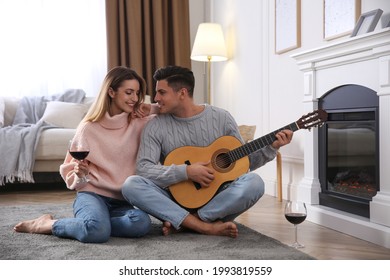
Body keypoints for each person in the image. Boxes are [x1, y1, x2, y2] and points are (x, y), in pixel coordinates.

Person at [121, 65, 293, 238]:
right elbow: (144, 168)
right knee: (131, 185)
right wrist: (186, 172)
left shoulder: (222, 118)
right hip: (174, 198)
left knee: (255, 182)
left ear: (182, 93)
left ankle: (190, 222)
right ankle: (205, 227)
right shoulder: (155, 125)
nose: (156, 98)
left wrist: (272, 148)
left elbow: (243, 163)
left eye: (162, 92)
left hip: (217, 199)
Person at [14, 66, 158, 243]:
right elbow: (71, 172)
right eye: (129, 92)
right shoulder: (88, 128)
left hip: (122, 199)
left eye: (137, 93)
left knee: (141, 223)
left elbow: (172, 109)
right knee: (96, 233)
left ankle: (95, 224)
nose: (134, 99)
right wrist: (80, 175)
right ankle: (48, 224)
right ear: (111, 92)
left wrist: (150, 108)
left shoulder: (139, 123)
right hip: (92, 195)